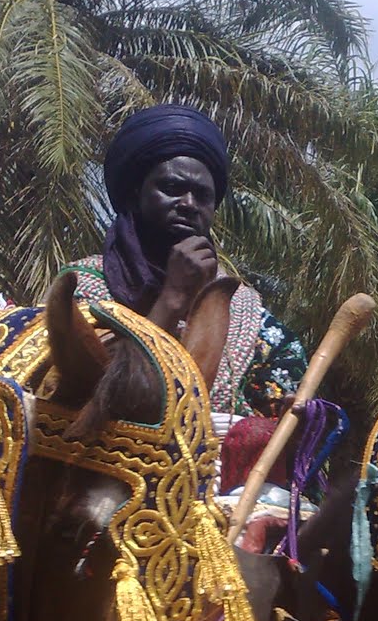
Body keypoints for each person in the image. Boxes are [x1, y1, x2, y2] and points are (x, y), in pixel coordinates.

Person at [67, 103, 306, 426]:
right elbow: (87, 400)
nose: (189, 204)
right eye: (171, 189)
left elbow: (276, 422)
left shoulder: (252, 320)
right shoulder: (82, 288)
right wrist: (173, 298)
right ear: (136, 193)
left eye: (203, 196)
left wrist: (295, 429)